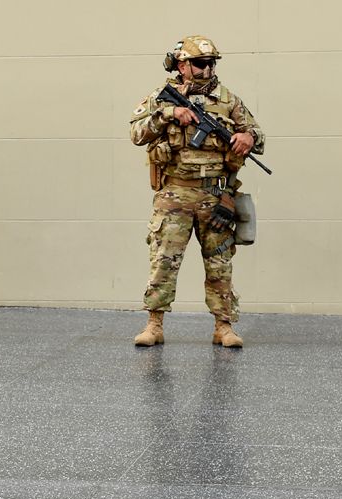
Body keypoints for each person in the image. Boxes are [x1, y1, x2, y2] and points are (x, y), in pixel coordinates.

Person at [129, 35, 265, 348]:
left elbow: (257, 135)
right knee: (163, 261)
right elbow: (136, 132)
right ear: (182, 65)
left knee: (219, 264)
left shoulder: (227, 99)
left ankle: (224, 326)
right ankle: (154, 324)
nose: (208, 69)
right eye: (200, 63)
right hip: (174, 193)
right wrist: (168, 115)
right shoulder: (162, 98)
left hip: (214, 195)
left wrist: (247, 137)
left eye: (211, 63)